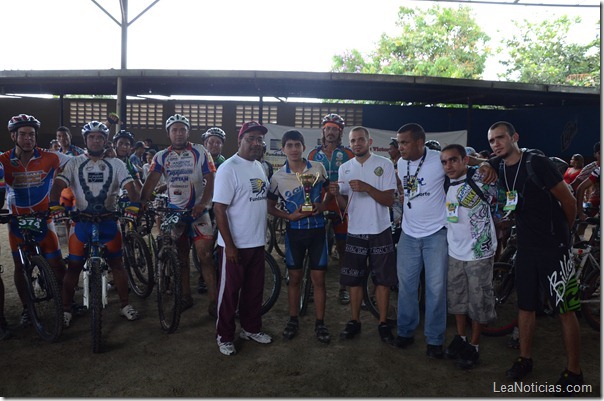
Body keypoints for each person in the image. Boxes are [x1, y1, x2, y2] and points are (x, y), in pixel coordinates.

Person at [486, 121, 582, 390]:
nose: (496, 144)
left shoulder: (537, 162)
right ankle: (524, 358)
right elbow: (482, 162)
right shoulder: (501, 167)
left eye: (501, 138)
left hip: (553, 248)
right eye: (492, 140)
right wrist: (486, 165)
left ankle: (574, 372)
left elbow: (569, 201)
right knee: (525, 306)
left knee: (565, 309)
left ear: (515, 137)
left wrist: (563, 235)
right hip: (525, 248)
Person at [49, 121, 140, 327]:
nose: (96, 140)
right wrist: (55, 205)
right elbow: (58, 185)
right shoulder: (73, 163)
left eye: (100, 137)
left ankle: (125, 305)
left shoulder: (117, 164)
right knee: (73, 267)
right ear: (85, 139)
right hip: (82, 223)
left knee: (118, 265)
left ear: (106, 141)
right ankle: (66, 309)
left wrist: (133, 205)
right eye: (92, 137)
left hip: (109, 222)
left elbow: (130, 186)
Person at [141, 114, 217, 316]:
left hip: (199, 212)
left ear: (188, 132)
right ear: (168, 133)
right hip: (175, 214)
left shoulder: (200, 151)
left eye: (182, 129)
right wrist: (141, 202)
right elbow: (152, 180)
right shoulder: (160, 156)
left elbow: (211, 178)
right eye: (174, 130)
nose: (179, 133)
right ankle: (185, 297)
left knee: (206, 256)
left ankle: (214, 302)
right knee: (181, 258)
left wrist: (203, 203)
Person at [328, 126, 398, 344]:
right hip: (355, 230)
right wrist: (336, 194)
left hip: (380, 230)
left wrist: (367, 187)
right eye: (353, 141)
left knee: (382, 281)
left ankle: (383, 323)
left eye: (360, 140)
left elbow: (389, 201)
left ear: (370, 141)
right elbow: (344, 206)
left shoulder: (384, 164)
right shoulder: (345, 168)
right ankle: (354, 321)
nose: (357, 143)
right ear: (349, 144)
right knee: (354, 280)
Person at [0, 114, 70, 327]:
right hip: (16, 221)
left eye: (31, 134)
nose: (28, 138)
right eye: (22, 134)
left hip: (43, 218)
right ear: (13, 136)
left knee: (57, 265)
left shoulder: (51, 157)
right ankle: (26, 308)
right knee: (20, 268)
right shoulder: (3, 160)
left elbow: (79, 163)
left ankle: (67, 302)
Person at [213, 121, 272, 356]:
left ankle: (251, 328)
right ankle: (224, 336)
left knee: (254, 290)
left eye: (260, 139)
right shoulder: (229, 168)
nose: (256, 143)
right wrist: (229, 245)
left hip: (256, 242)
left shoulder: (260, 166)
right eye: (251, 139)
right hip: (235, 245)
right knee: (229, 293)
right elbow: (219, 209)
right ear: (240, 141)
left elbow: (263, 201)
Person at [268, 130, 331, 343]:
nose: (294, 149)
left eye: (297, 144)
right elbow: (269, 206)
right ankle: (293, 319)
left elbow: (330, 190)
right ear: (283, 149)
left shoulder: (318, 168)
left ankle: (320, 323)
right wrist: (288, 215)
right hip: (294, 233)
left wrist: (323, 204)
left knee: (319, 280)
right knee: (294, 279)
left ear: (304, 147)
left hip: (317, 232)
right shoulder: (277, 177)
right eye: (289, 145)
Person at [440, 144, 497, 369]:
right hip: (454, 251)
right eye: (444, 162)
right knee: (457, 299)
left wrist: (484, 163)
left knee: (478, 300)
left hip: (479, 253)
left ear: (465, 160)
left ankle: (474, 345)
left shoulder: (481, 178)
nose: (448, 165)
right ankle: (461, 337)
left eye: (453, 160)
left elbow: (501, 193)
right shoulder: (446, 183)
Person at [307, 113, 354, 305]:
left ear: (340, 132)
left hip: (341, 203)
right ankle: (310, 287)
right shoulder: (312, 154)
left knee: (343, 248)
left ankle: (343, 288)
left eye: (335, 129)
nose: (331, 132)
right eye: (328, 128)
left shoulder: (349, 154)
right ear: (323, 131)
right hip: (319, 202)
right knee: (314, 248)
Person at [113, 130, 143, 195]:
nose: (124, 147)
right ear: (115, 144)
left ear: (130, 147)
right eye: (120, 143)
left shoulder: (130, 166)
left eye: (127, 144)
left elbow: (139, 186)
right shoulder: (107, 160)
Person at [575, 143, 600, 221]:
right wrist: (580, 211)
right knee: (583, 221)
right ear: (595, 154)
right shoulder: (593, 169)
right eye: (600, 153)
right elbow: (576, 186)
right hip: (595, 198)